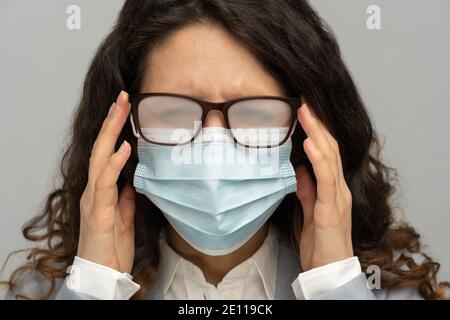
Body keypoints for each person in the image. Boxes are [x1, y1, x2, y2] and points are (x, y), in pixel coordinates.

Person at [2, 0, 448, 300]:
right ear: (124, 127)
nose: (212, 146)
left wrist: (334, 282)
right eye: (175, 111)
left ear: (306, 128)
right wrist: (94, 284)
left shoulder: (384, 289)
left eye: (254, 113)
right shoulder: (49, 290)